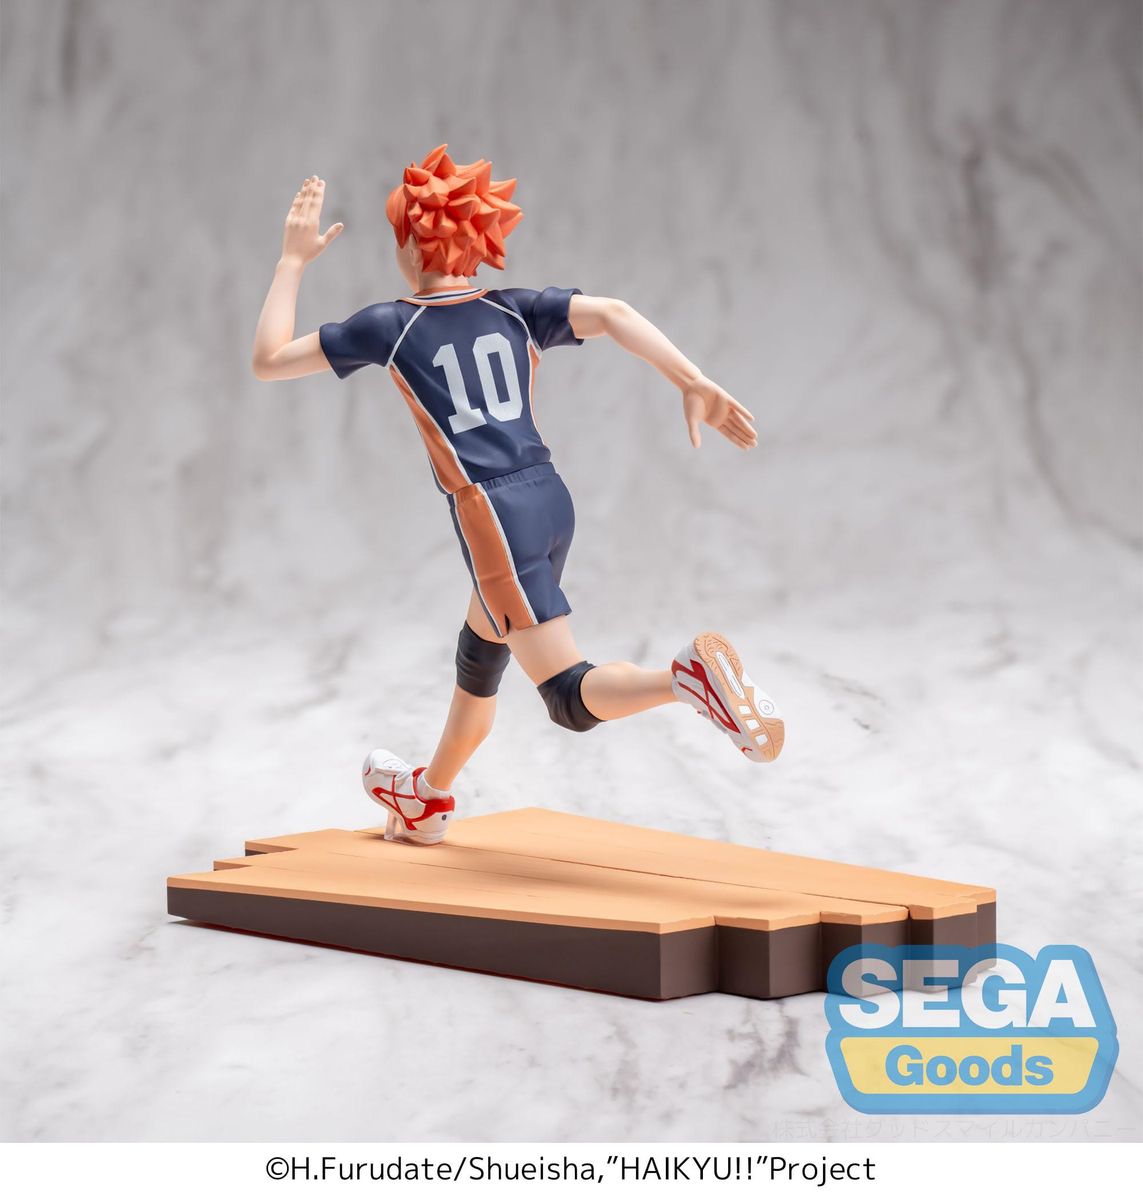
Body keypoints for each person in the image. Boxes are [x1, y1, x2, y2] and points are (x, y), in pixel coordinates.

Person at [251, 146, 784, 846]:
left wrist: (292, 262)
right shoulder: (514, 310)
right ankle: (427, 798)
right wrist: (691, 380)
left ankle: (685, 679)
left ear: (409, 244)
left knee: (566, 695)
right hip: (549, 500)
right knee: (480, 657)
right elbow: (615, 312)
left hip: (492, 515)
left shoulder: (391, 325)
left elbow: (268, 361)